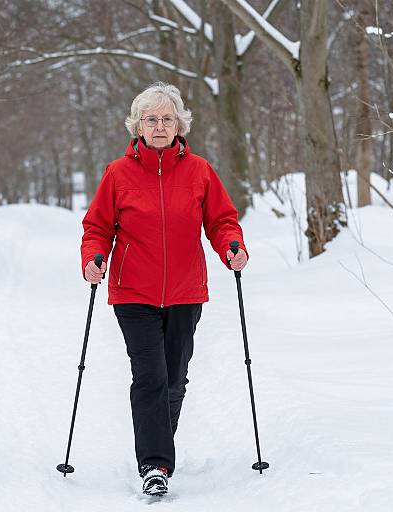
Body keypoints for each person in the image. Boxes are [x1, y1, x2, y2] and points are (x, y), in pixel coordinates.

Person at [80, 82, 248, 496]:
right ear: (138, 125)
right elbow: (97, 226)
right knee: (150, 376)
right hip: (132, 291)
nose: (159, 125)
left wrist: (233, 248)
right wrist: (93, 257)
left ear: (179, 124)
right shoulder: (118, 173)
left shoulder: (200, 171)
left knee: (174, 378)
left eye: (166, 119)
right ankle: (155, 464)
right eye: (151, 119)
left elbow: (222, 220)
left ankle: (158, 439)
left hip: (186, 291)